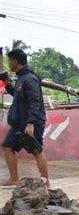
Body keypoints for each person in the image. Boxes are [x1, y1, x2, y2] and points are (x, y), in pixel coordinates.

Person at [1, 49, 49, 186]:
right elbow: (17, 95)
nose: (8, 63)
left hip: (31, 122)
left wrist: (30, 123)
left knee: (36, 150)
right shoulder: (22, 78)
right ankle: (14, 179)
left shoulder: (30, 78)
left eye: (9, 60)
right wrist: (6, 82)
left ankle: (46, 182)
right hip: (19, 123)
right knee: (7, 147)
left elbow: (35, 101)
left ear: (15, 61)